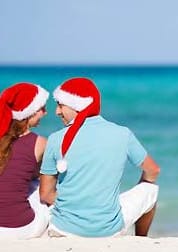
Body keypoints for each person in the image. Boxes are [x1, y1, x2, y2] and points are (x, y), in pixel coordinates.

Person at [39, 77, 160, 237]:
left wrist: (75, 203)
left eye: (61, 105)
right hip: (108, 230)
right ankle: (141, 238)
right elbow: (153, 171)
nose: (57, 112)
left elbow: (46, 194)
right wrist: (142, 183)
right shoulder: (122, 134)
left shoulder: (55, 138)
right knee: (150, 189)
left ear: (78, 106)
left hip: (63, 229)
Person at [0, 82, 50, 239]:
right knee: (41, 185)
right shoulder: (40, 143)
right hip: (20, 227)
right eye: (41, 109)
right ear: (28, 113)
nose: (45, 113)